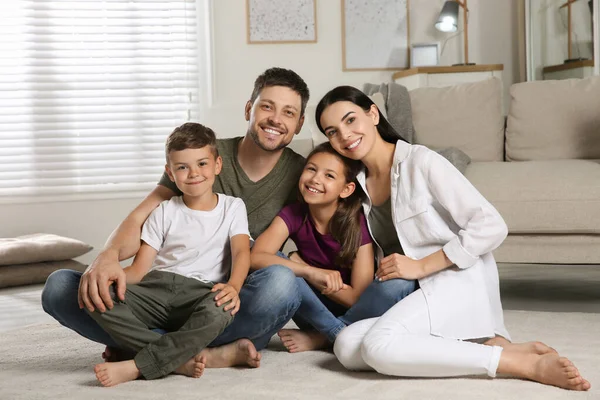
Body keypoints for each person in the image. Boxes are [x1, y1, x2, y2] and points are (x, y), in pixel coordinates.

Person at [314, 85, 591, 391]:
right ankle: (494, 347)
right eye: (332, 131)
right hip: (414, 294)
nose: (345, 135)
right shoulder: (358, 187)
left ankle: (519, 364)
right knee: (346, 344)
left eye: (351, 120)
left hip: (453, 279)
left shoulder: (421, 162)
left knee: (378, 346)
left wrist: (421, 266)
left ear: (373, 114)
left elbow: (491, 224)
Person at [41, 67, 310, 367]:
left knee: (283, 284)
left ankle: (137, 344)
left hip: (224, 300)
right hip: (164, 293)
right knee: (61, 287)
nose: (275, 118)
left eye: (288, 112)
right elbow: (142, 217)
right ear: (249, 108)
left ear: (299, 124)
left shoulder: (303, 174)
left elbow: (325, 232)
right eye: (267, 106)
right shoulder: (199, 154)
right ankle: (196, 353)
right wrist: (108, 256)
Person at [87, 123, 250, 386]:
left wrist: (233, 286)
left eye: (202, 164)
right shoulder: (163, 211)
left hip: (200, 294)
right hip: (157, 288)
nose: (193, 173)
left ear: (217, 165)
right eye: (182, 167)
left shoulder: (233, 207)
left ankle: (138, 364)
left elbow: (242, 252)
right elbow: (139, 270)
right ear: (170, 173)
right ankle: (178, 357)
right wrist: (108, 279)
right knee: (94, 295)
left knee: (221, 310)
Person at [251, 142, 415, 352]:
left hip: (360, 311)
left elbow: (357, 298)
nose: (315, 179)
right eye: (311, 169)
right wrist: (308, 271)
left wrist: (310, 275)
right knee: (278, 263)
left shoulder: (356, 223)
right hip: (314, 310)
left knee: (399, 285)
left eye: (329, 176)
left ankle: (326, 336)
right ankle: (337, 333)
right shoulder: (293, 214)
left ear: (346, 189)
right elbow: (256, 257)